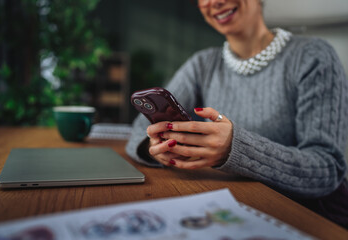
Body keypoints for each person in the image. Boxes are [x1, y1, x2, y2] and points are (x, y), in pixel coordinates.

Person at [126, 0, 348, 228]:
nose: (215, 2)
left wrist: (236, 149)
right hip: (230, 210)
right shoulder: (203, 64)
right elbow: (137, 131)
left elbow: (327, 168)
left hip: (307, 217)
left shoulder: (312, 56)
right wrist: (159, 148)